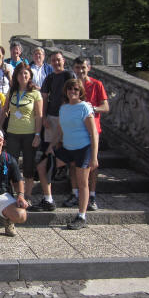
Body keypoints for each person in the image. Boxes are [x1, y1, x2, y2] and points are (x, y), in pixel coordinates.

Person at [48, 79, 99, 230]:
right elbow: (61, 130)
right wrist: (52, 145)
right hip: (67, 147)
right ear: (66, 91)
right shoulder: (63, 108)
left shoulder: (84, 107)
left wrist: (94, 157)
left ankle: (82, 216)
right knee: (44, 165)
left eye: (76, 89)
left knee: (82, 182)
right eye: (70, 89)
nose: (73, 92)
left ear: (80, 91)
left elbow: (94, 133)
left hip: (83, 149)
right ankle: (47, 199)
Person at [66, 57, 109, 210]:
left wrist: (92, 109)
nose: (80, 70)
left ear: (88, 68)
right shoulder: (72, 86)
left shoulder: (97, 84)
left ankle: (91, 196)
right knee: (72, 164)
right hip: (74, 131)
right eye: (77, 68)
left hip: (92, 131)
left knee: (92, 166)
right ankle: (75, 193)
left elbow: (105, 106)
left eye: (83, 67)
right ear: (74, 69)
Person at [0, 63, 43, 204]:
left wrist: (37, 135)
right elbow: (5, 110)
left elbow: (39, 116)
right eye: (20, 74)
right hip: (12, 133)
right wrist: (0, 128)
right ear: (16, 76)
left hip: (29, 134)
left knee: (29, 166)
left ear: (30, 75)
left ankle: (27, 196)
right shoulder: (12, 92)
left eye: (25, 73)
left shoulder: (35, 93)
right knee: (12, 165)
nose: (23, 76)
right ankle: (15, 194)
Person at [40, 51, 76, 186]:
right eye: (53, 60)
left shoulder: (69, 75)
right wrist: (44, 117)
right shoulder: (49, 78)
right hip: (52, 114)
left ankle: (62, 168)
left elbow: (73, 94)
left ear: (63, 60)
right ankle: (55, 168)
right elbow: (44, 98)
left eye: (58, 60)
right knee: (52, 142)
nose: (56, 62)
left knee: (63, 142)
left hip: (66, 114)